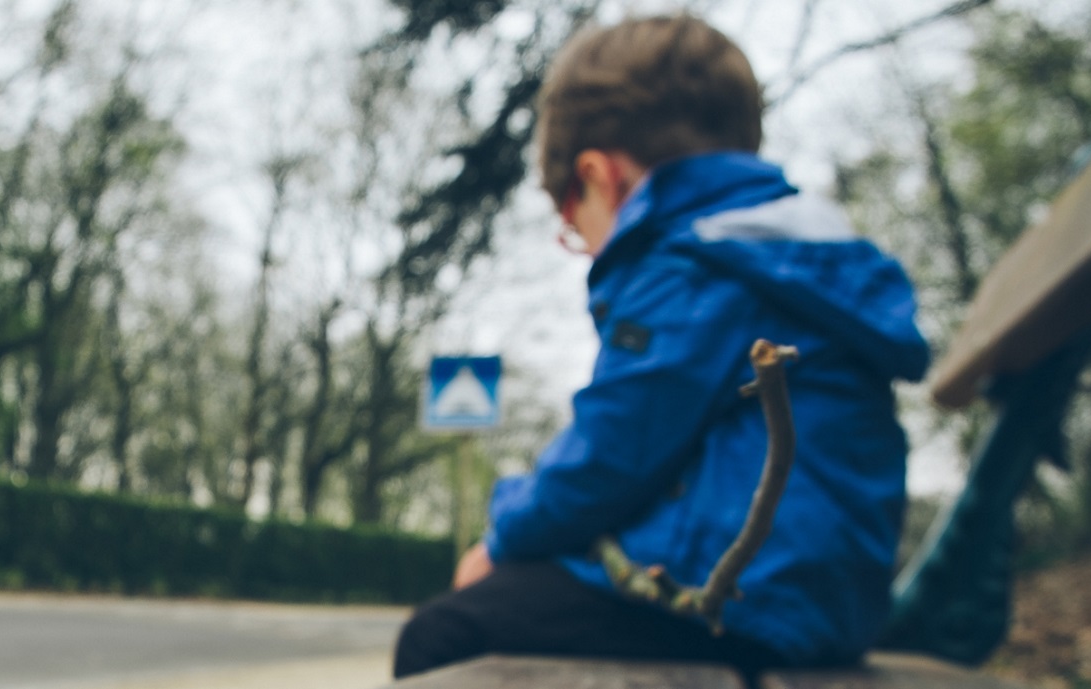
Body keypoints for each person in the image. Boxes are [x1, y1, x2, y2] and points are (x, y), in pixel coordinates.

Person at [391, 14, 930, 679]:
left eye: (572, 222)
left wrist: (499, 538)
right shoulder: (792, 257)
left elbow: (610, 457)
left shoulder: (692, 266)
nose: (584, 245)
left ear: (600, 176)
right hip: (822, 600)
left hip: (735, 600)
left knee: (445, 632)